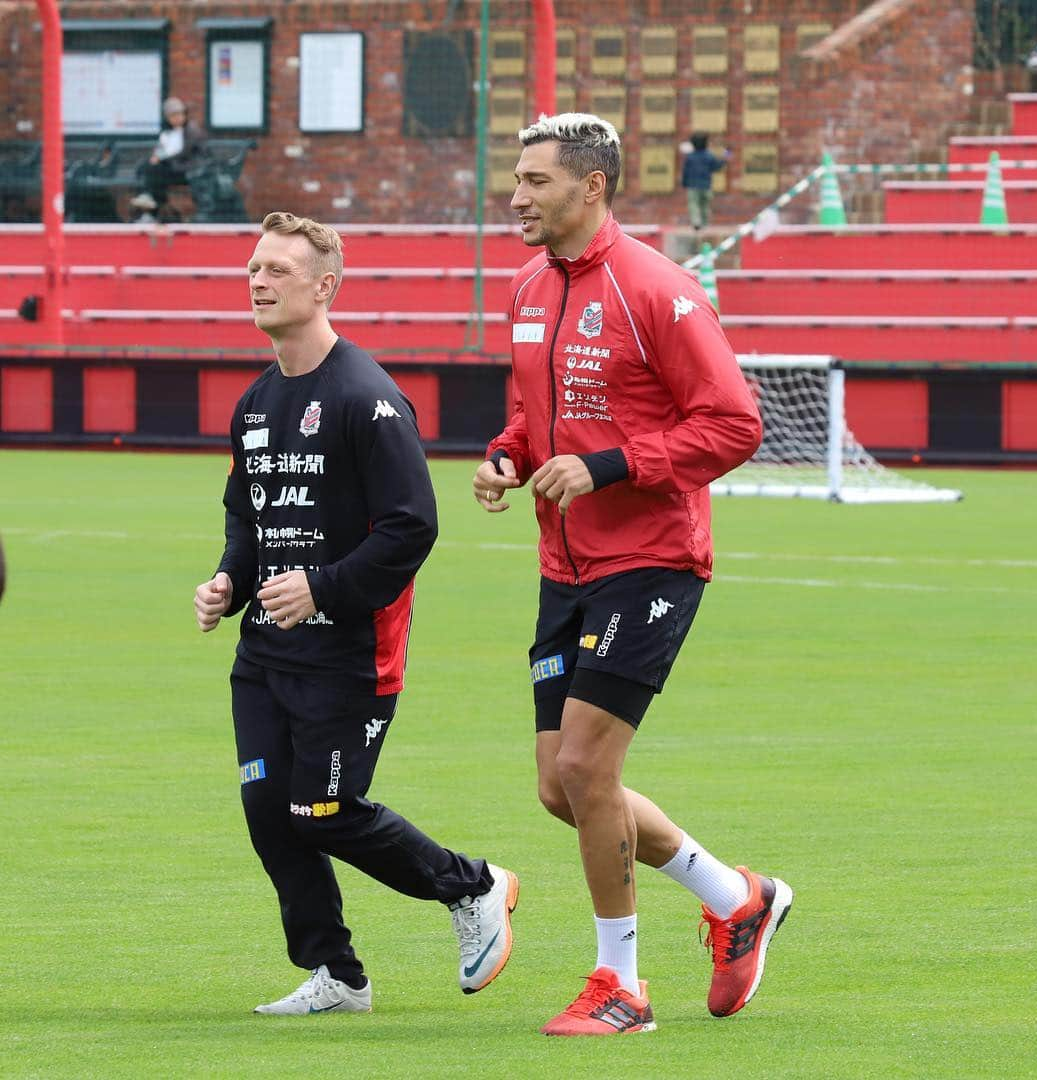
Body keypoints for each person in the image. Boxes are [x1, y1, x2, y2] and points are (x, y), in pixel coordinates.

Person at [472, 113, 792, 1036]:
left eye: (536, 180)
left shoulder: (660, 288)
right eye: (518, 178)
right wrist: (506, 454)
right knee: (558, 787)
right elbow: (537, 417)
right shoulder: (530, 288)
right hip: (563, 562)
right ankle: (738, 897)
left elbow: (734, 426)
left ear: (593, 187)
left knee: (585, 766)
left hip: (652, 559)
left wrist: (608, 467)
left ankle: (623, 987)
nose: (518, 195)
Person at [194, 211, 518, 1016]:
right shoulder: (256, 403)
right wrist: (230, 580)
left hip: (351, 654)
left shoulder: (367, 398)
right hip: (265, 654)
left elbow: (415, 526)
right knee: (270, 812)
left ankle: (473, 886)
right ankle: (336, 975)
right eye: (253, 270)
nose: (260, 283)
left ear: (324, 286)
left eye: (277, 270)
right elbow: (250, 515)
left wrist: (322, 589)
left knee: (326, 811)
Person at [131, 97, 206, 222]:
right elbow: (161, 149)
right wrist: (157, 156)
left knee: (153, 170)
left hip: (187, 170)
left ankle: (151, 207)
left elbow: (184, 153)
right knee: (146, 167)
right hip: (171, 168)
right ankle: (148, 200)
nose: (178, 118)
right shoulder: (167, 133)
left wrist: (162, 159)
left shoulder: (191, 130)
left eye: (180, 114)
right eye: (173, 115)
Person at [680, 132, 730, 232]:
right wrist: (725, 159)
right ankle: (705, 223)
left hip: (693, 185)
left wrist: (684, 182)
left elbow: (686, 171)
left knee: (694, 205)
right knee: (705, 206)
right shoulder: (709, 156)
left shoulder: (690, 157)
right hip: (706, 185)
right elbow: (716, 167)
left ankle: (696, 222)